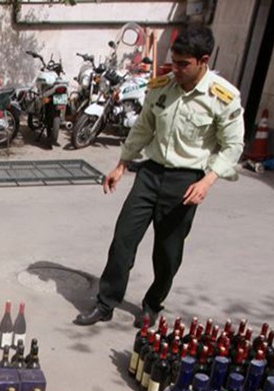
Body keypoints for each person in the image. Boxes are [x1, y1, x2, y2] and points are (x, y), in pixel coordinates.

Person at [75, 25, 244, 327]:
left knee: (167, 253)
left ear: (203, 60)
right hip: (150, 174)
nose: (175, 69)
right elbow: (143, 127)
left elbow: (233, 146)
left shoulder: (222, 97)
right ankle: (106, 302)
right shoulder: (161, 86)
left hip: (186, 181)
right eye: (173, 62)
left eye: (183, 64)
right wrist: (122, 164)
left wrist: (207, 181)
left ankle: (152, 305)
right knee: (123, 240)